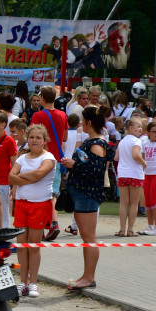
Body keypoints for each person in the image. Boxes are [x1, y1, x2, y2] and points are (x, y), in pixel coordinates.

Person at [59, 106, 108, 290]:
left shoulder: (97, 143)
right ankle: (86, 275)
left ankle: (89, 277)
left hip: (88, 194)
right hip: (82, 193)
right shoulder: (92, 140)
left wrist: (74, 164)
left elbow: (95, 171)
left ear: (88, 122)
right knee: (86, 237)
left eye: (83, 120)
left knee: (89, 237)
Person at [9, 125, 57, 298]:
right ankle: (23, 282)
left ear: (44, 140)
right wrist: (26, 178)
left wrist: (21, 179)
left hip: (40, 204)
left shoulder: (48, 157)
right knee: (22, 245)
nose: (35, 140)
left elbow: (39, 175)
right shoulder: (22, 158)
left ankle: (33, 283)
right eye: (32, 137)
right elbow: (10, 177)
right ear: (27, 138)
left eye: (38, 137)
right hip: (22, 204)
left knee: (34, 245)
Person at [30, 86, 68, 240]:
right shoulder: (62, 115)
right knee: (53, 193)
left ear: (42, 99)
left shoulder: (38, 115)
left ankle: (43, 226)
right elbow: (64, 138)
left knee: (40, 193)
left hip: (41, 157)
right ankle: (54, 222)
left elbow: (31, 136)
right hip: (57, 158)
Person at [114, 116, 145, 237]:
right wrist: (144, 162)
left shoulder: (122, 141)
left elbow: (116, 158)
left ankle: (122, 229)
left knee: (123, 203)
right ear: (131, 128)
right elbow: (135, 154)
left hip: (122, 173)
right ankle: (130, 229)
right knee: (133, 203)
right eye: (138, 127)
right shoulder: (137, 141)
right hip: (134, 174)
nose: (141, 129)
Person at [138, 120, 156, 236]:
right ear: (148, 132)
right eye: (154, 131)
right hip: (147, 175)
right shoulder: (145, 144)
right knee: (148, 202)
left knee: (154, 201)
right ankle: (150, 226)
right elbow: (143, 160)